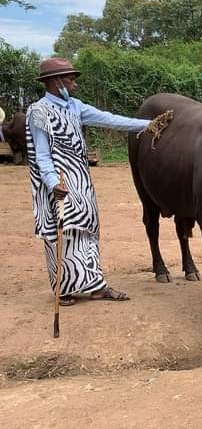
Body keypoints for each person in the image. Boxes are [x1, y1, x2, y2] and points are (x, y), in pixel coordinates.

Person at [26, 58, 171, 306]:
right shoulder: (39, 112)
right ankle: (64, 289)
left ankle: (95, 286)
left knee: (86, 229)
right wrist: (52, 183)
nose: (74, 84)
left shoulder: (74, 106)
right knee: (63, 233)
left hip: (80, 179)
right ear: (55, 81)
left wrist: (149, 124)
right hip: (59, 180)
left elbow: (110, 119)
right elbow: (41, 154)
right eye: (71, 79)